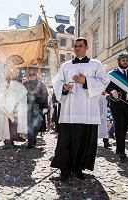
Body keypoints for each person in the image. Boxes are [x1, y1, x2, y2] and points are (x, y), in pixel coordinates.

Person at [50, 37, 110, 181]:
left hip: (88, 111)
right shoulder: (66, 65)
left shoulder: (96, 64)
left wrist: (86, 81)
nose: (77, 48)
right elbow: (56, 83)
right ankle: (65, 170)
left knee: (84, 142)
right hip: (69, 111)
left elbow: (104, 82)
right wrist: (63, 87)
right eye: (75, 46)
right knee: (66, 142)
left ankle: (79, 168)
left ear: (87, 47)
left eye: (80, 46)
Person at [0, 65, 28, 149]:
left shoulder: (18, 84)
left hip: (15, 109)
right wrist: (5, 90)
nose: (11, 74)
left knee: (13, 126)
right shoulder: (4, 84)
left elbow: (21, 93)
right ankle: (7, 141)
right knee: (6, 125)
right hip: (5, 109)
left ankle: (12, 140)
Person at [24, 67, 48, 148]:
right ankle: (31, 142)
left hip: (38, 108)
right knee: (29, 125)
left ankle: (33, 140)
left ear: (36, 74)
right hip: (27, 108)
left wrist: (45, 107)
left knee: (36, 125)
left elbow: (45, 96)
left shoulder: (41, 85)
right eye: (30, 74)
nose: (31, 75)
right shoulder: (25, 85)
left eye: (33, 74)